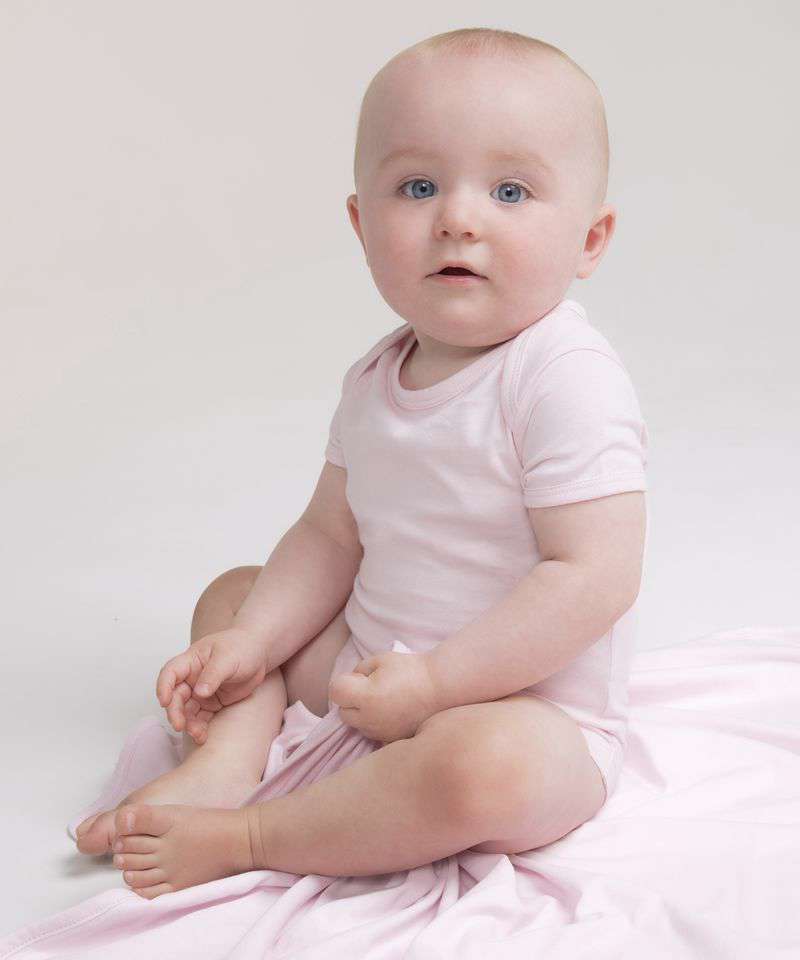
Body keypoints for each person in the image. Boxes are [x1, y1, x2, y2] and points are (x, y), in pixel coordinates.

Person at [74, 27, 648, 899]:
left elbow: (594, 577)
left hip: (520, 712)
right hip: (372, 678)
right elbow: (329, 534)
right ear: (361, 224)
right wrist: (253, 644)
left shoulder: (564, 376)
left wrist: (437, 685)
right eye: (418, 187)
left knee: (482, 766)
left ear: (590, 240)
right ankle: (231, 757)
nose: (458, 218)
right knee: (237, 598)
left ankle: (254, 834)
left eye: (510, 191)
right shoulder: (377, 376)